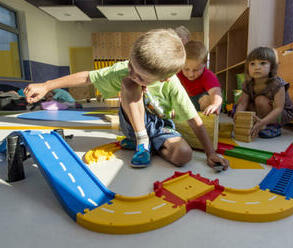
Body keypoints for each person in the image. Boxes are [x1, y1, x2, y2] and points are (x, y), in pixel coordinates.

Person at [24, 28, 229, 170]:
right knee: (129, 84)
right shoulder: (126, 71)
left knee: (184, 155)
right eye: (131, 65)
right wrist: (46, 85)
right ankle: (141, 142)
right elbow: (88, 77)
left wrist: (211, 152)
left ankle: (152, 145)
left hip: (160, 127)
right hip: (133, 124)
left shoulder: (172, 84)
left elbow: (195, 120)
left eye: (141, 75)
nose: (131, 72)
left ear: (165, 78)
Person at [234, 47, 293, 138]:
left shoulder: (277, 84)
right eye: (252, 64)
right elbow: (243, 103)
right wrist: (238, 117)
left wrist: (263, 122)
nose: (257, 67)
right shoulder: (248, 84)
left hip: (282, 113)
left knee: (260, 100)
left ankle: (273, 127)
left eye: (263, 63)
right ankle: (258, 123)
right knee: (242, 103)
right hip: (263, 109)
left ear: (272, 67)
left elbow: (278, 108)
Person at [177, 41, 223, 116]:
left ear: (204, 64)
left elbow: (216, 92)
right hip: (185, 101)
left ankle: (206, 115)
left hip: (199, 103)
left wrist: (215, 104)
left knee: (207, 100)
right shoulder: (177, 73)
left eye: (196, 70)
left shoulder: (208, 75)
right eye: (186, 69)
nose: (191, 74)